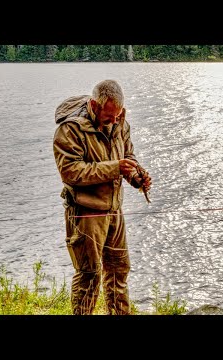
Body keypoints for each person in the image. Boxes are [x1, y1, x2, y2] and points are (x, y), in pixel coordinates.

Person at [53, 79, 151, 315]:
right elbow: (71, 172)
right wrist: (116, 167)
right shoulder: (69, 130)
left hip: (114, 211)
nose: (114, 121)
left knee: (119, 270)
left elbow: (128, 155)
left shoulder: (120, 122)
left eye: (118, 115)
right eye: (109, 116)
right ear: (95, 105)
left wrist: (136, 176)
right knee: (89, 275)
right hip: (86, 213)